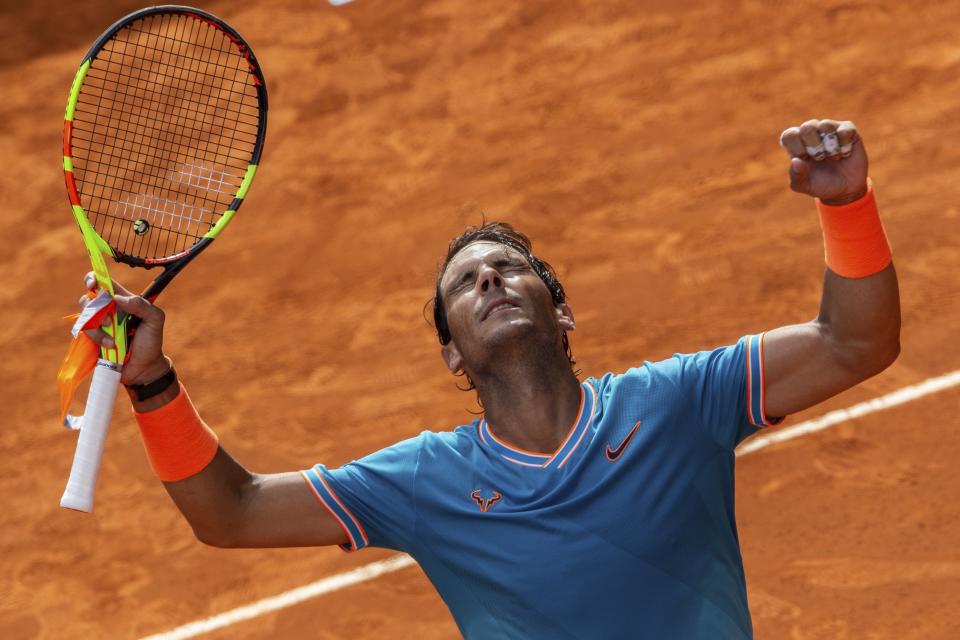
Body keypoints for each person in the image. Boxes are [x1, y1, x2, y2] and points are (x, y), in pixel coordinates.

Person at [80, 118, 900, 639]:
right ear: (452, 357)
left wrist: (847, 205)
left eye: (509, 268)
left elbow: (852, 343)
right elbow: (233, 512)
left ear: (562, 312)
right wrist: (153, 382)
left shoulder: (679, 401)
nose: (488, 282)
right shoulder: (422, 483)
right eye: (463, 285)